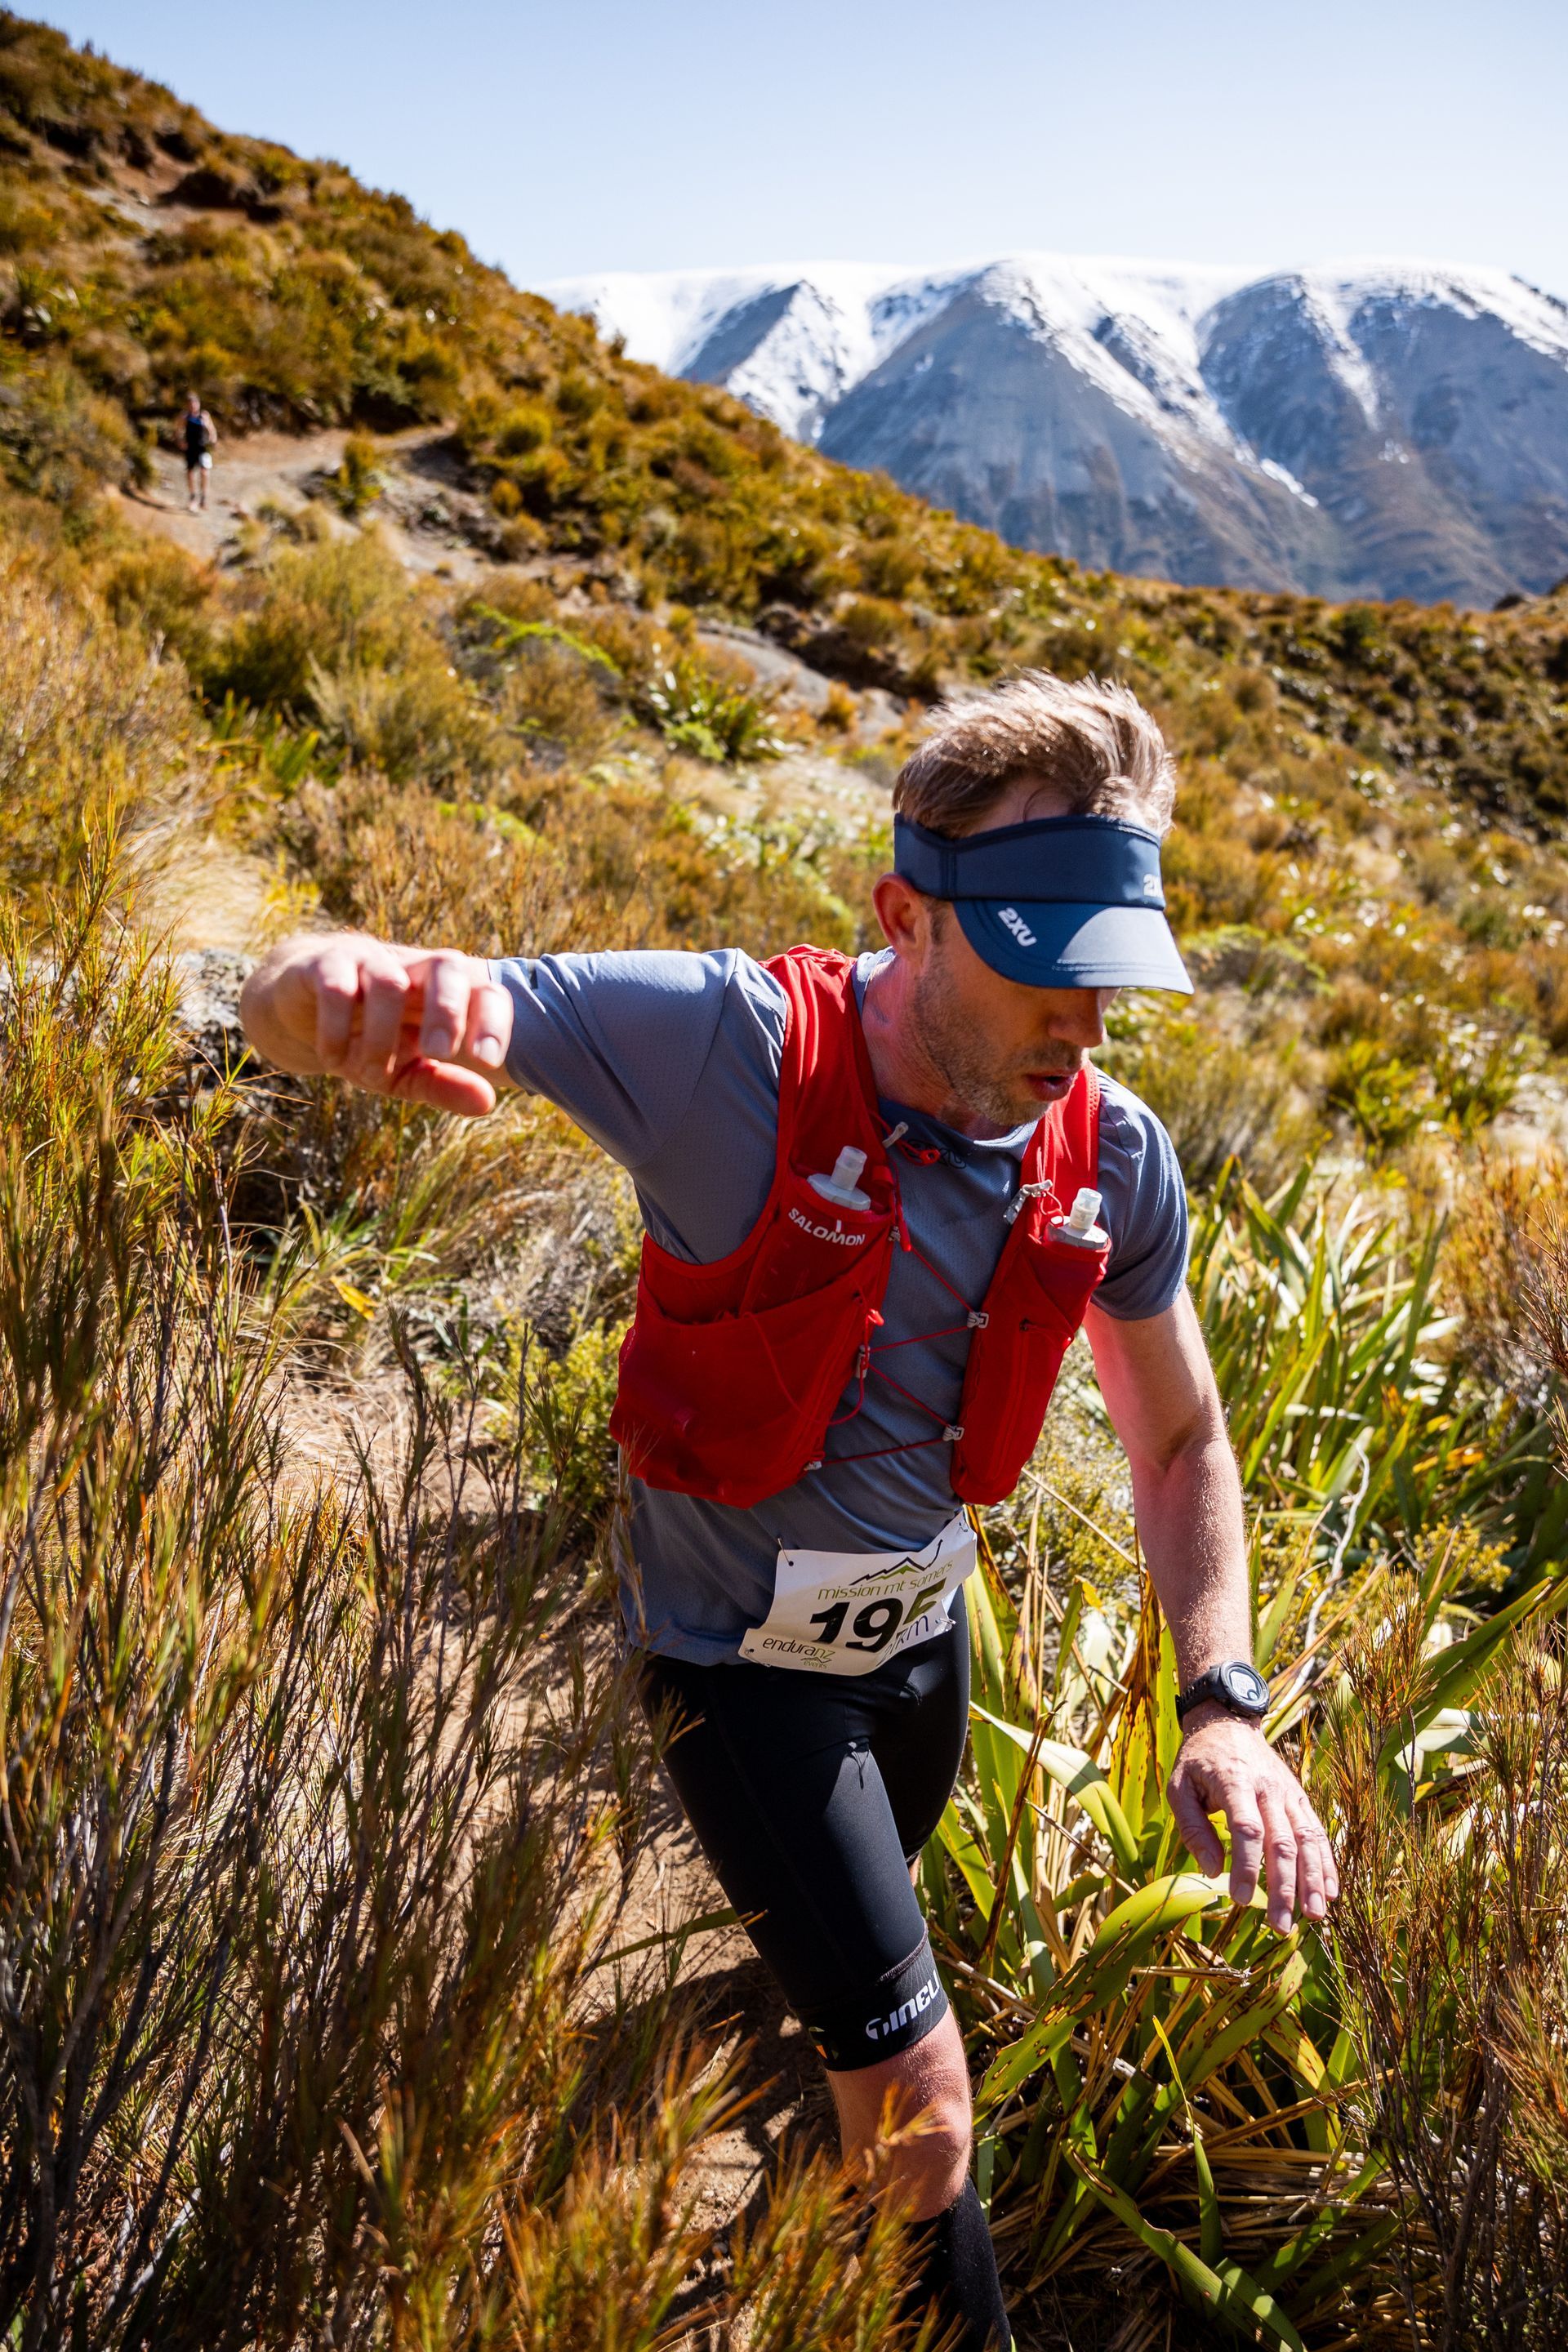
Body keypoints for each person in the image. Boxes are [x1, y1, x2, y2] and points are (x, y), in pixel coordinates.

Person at [239, 672, 1340, 2351]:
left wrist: (1224, 1704)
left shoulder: (1111, 1157)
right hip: (734, 1668)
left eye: (1111, 981)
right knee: (922, 2097)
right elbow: (441, 994)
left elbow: (1181, 1438)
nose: (1086, 1029)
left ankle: (820, 2225)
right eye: (1045, 973)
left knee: (842, 1997)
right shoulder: (725, 1053)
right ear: (909, 913)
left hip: (918, 1657)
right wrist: (316, 987)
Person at [183, 391, 216, 511]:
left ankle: (204, 498)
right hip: (191, 448)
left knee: (204, 472)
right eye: (190, 404)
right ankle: (193, 497)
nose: (193, 406)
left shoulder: (204, 416)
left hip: (203, 448)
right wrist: (180, 442)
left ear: (199, 404)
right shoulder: (185, 417)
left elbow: (212, 431)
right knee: (190, 473)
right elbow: (177, 430)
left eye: (195, 404)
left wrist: (212, 439)